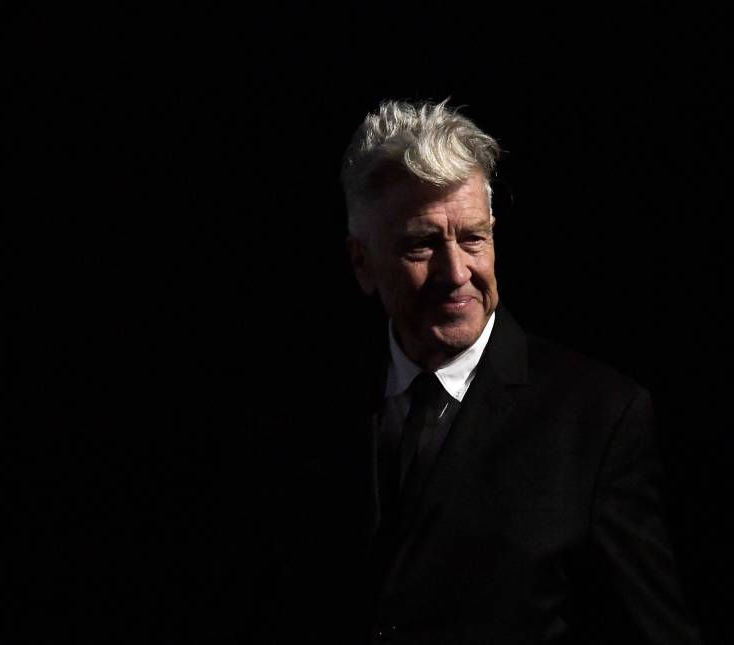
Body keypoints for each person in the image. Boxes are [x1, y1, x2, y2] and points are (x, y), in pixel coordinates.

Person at [258, 100, 701, 644]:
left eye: (472, 237)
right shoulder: (303, 406)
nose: (455, 272)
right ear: (361, 263)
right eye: (421, 245)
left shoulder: (599, 418)